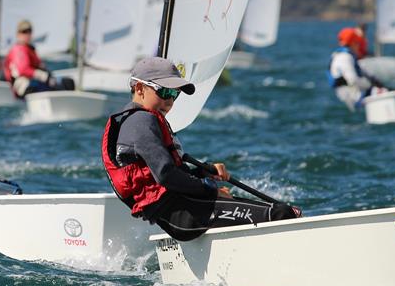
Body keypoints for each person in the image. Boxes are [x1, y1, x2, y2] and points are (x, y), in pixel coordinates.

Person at [102, 57, 300, 242]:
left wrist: (203, 171)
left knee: (277, 209)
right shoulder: (142, 120)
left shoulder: (135, 121)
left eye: (174, 94)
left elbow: (168, 173)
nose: (169, 101)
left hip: (185, 211)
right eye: (164, 92)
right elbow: (166, 175)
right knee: (281, 214)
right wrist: (210, 190)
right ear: (139, 88)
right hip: (186, 216)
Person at [3, 19, 74, 98]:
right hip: (25, 86)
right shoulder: (19, 49)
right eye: (23, 32)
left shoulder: (30, 49)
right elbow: (23, 69)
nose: (26, 34)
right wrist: (43, 76)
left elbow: (40, 67)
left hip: (35, 83)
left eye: (28, 31)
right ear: (18, 34)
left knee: (68, 82)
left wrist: (46, 75)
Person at [328, 27, 386, 111]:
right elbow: (353, 80)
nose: (359, 45)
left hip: (351, 96)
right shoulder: (344, 57)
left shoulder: (343, 56)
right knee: (382, 92)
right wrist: (369, 85)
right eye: (358, 43)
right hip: (352, 98)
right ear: (353, 43)